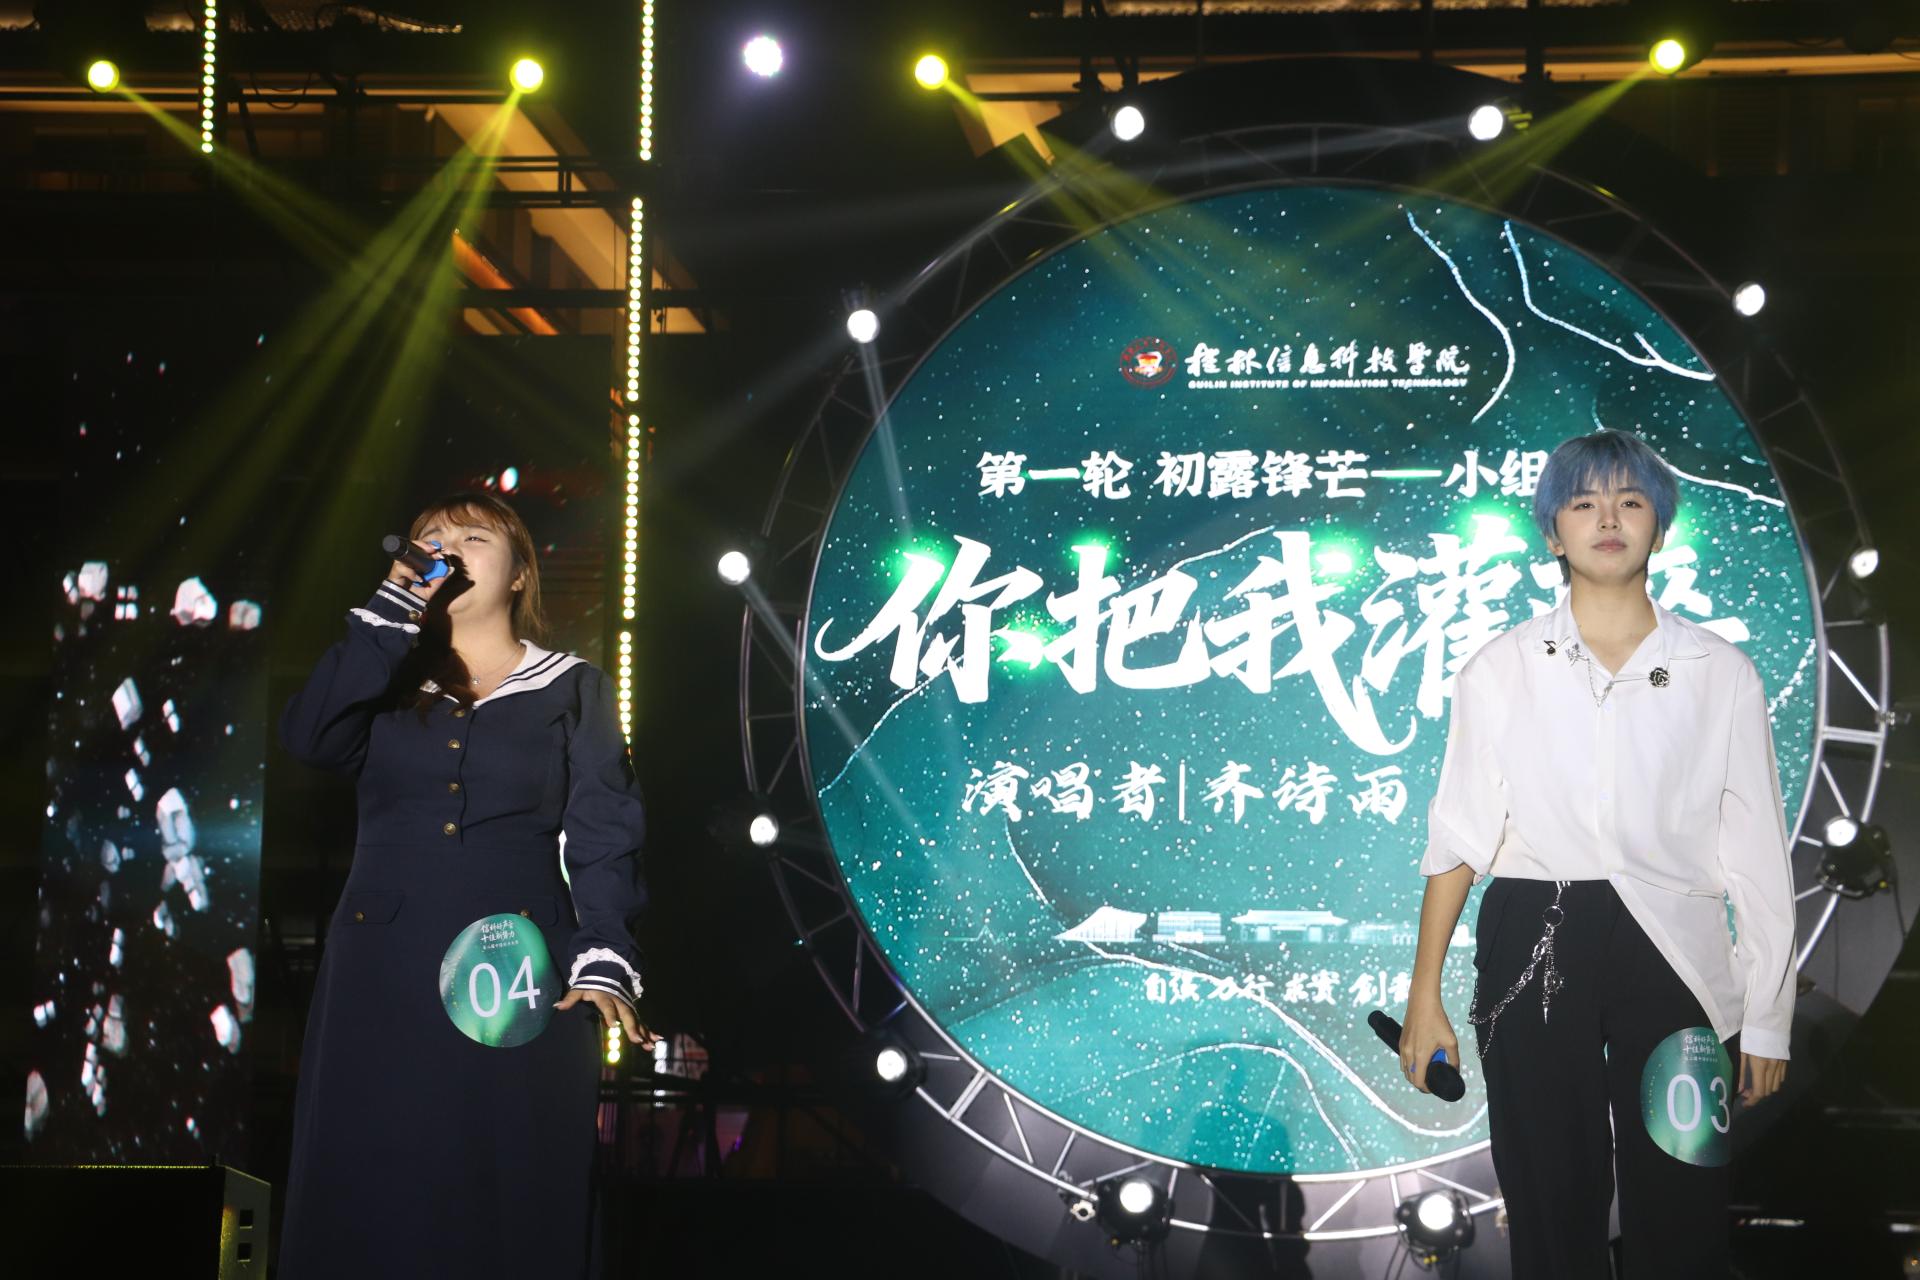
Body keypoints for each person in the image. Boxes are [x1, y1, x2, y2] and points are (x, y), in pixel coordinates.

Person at [1397, 429, 1793, 1279]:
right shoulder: (1501, 667)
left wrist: (1767, 1014)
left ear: (1660, 527)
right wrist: (1424, 993)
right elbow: (1459, 833)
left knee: (1685, 1207)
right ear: (1553, 532)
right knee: (1549, 1200)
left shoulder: (1721, 672)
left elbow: (1757, 852)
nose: (1608, 519)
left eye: (1630, 501)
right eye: (1583, 503)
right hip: (1533, 933)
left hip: (1679, 953)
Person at [277, 490, 657, 1278]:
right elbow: (309, 738)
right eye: (431, 538)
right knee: (375, 1171)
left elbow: (605, 831)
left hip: (517, 969)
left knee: (511, 1174)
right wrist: (389, 614)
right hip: (382, 966)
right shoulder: (383, 681)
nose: (448, 549)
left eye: (474, 537)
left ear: (519, 574)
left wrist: (603, 954)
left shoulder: (574, 686)